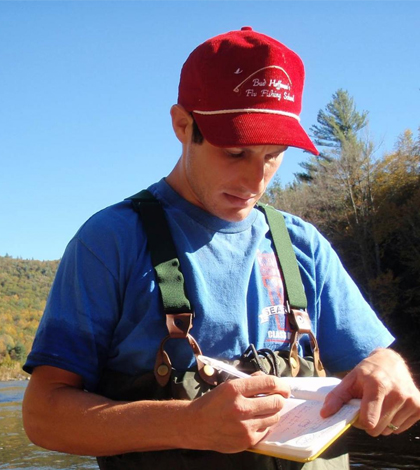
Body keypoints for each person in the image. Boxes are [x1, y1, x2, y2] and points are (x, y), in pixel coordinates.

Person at [22, 27, 420, 470]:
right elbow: (43, 416)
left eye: (273, 154)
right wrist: (187, 423)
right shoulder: (109, 241)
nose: (256, 181)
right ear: (182, 124)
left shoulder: (304, 246)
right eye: (235, 152)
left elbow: (376, 358)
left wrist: (390, 372)